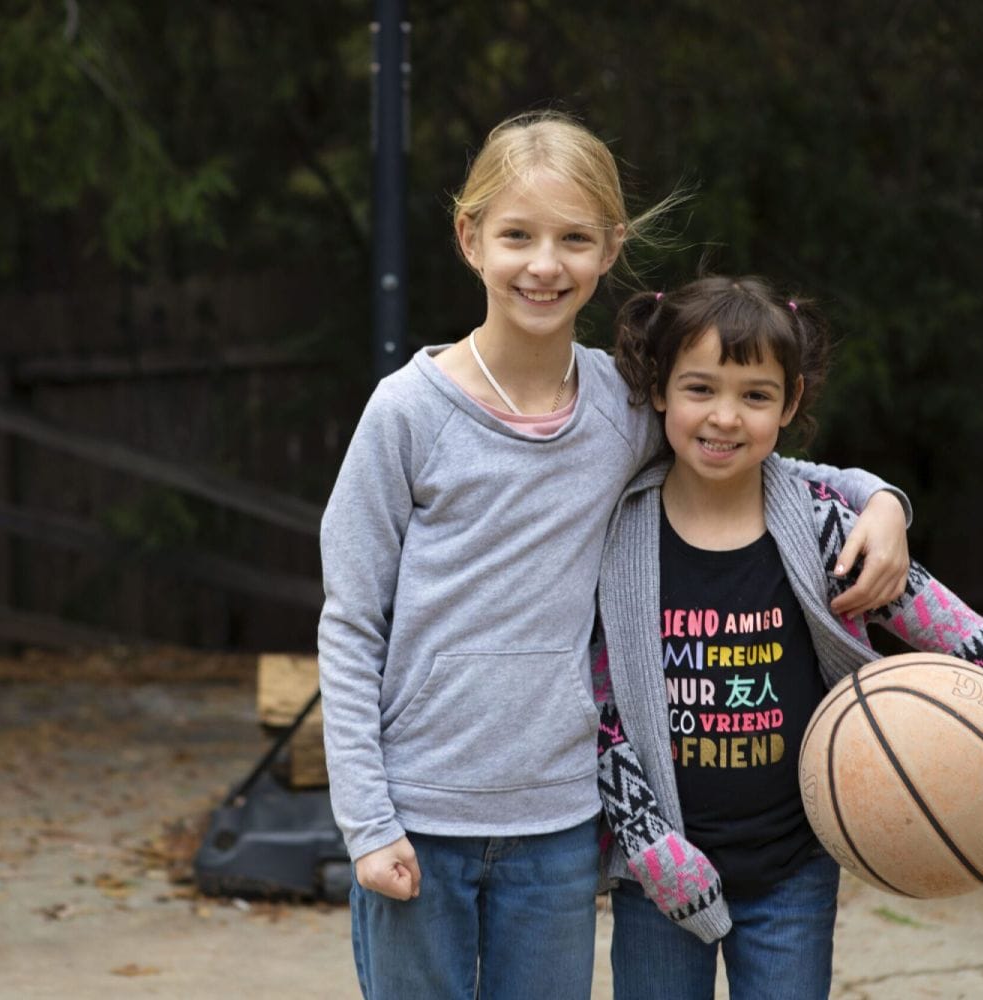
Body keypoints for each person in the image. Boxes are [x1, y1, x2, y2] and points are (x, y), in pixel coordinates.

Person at [316, 111, 913, 1000]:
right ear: (469, 238)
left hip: (560, 822)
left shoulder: (622, 408)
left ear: (610, 248)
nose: (544, 264)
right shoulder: (406, 414)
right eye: (517, 235)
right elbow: (351, 623)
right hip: (419, 814)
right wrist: (366, 822)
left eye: (573, 238)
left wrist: (881, 499)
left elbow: (753, 453)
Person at [593, 275, 983, 1000]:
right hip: (660, 873)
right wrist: (648, 842)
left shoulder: (827, 529)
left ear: (791, 402)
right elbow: (595, 702)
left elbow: (975, 644)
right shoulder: (615, 534)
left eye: (756, 395)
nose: (725, 417)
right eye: (700, 388)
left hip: (794, 869)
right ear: (661, 389)